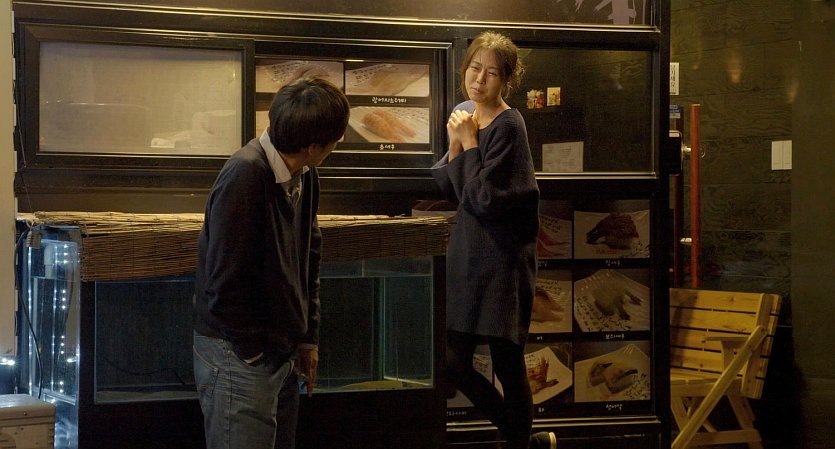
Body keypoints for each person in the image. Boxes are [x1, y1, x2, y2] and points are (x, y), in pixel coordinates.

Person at [192, 77, 350, 449]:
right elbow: (223, 283)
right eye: (336, 139)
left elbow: (309, 255)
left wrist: (307, 339)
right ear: (313, 147)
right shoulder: (245, 175)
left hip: (281, 351)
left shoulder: (306, 174)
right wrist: (253, 353)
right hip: (238, 355)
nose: (338, 143)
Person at [431, 31, 556, 449]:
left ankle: (519, 442)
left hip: (503, 260)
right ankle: (526, 440)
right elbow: (452, 190)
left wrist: (469, 144)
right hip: (468, 256)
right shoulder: (464, 114)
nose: (479, 79)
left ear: (506, 80)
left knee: (507, 360)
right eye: (474, 68)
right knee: (451, 362)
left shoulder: (510, 125)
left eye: (492, 73)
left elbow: (486, 199)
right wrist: (456, 147)